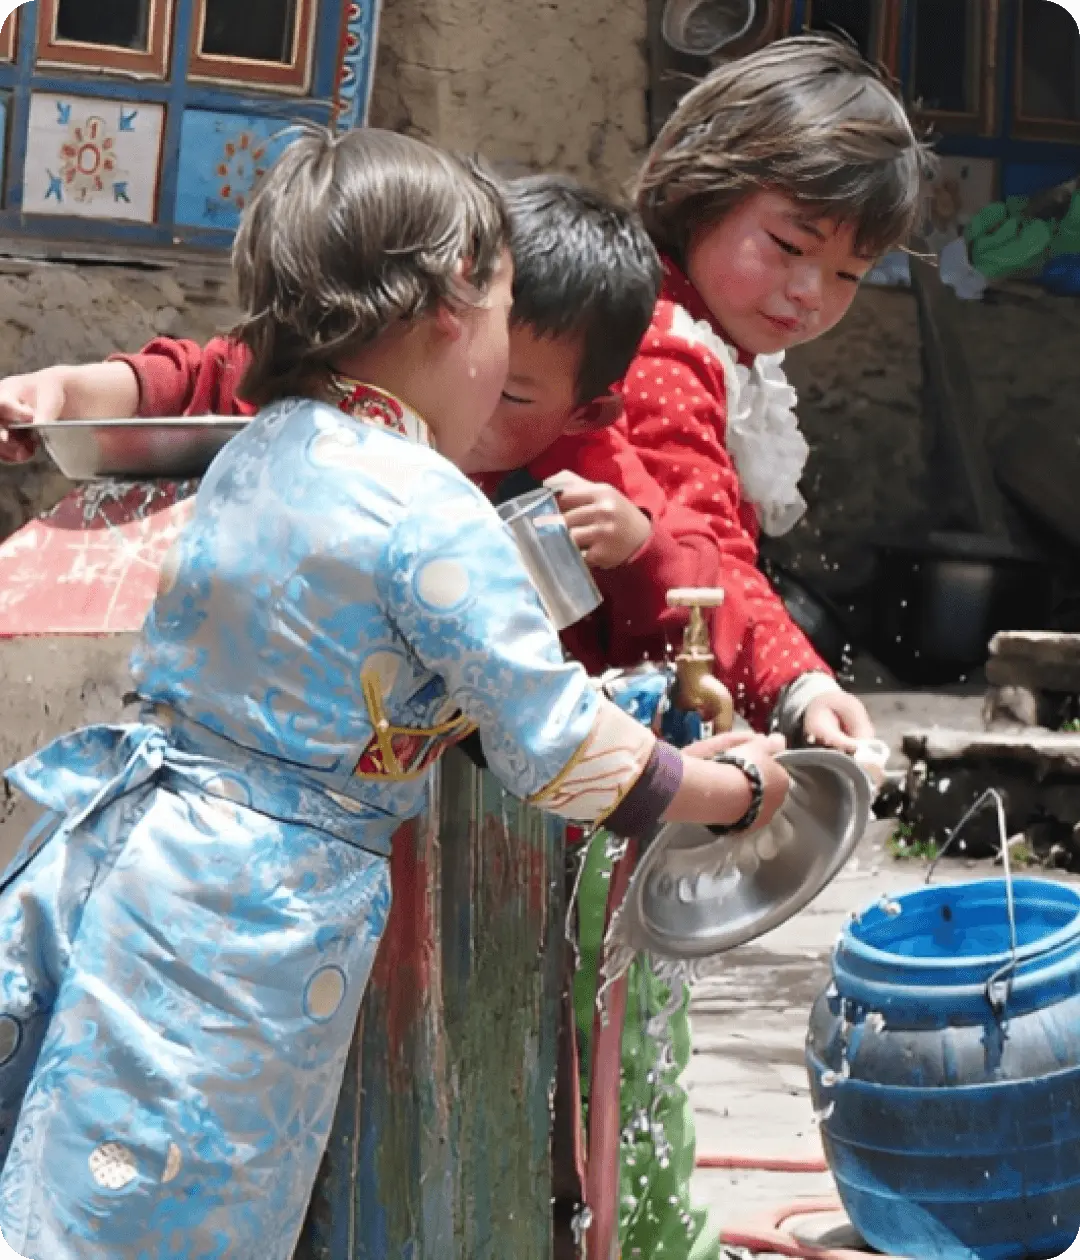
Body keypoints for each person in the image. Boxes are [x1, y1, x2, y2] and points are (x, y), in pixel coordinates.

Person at [0, 124, 792, 1259]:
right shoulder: (426, 506)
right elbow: (564, 754)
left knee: (93, 1186)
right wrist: (734, 792)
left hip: (143, 864)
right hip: (255, 921)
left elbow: (385, 685)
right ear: (449, 315)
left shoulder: (265, 444)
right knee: (188, 1211)